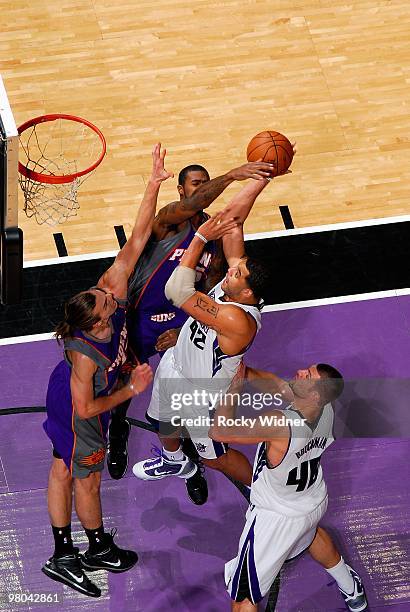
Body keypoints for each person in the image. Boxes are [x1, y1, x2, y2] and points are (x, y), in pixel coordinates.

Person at [41, 144, 171, 597]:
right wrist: (130, 387)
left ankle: (64, 552)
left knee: (61, 469)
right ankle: (92, 547)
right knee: (87, 478)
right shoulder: (84, 356)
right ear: (95, 323)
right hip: (81, 407)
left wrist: (152, 183)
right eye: (106, 302)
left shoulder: (106, 291)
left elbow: (136, 240)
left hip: (73, 395)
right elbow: (87, 405)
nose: (112, 293)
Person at [107, 158, 274, 480]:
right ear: (181, 189)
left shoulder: (233, 306)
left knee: (209, 447)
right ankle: (131, 438)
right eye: (194, 184)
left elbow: (186, 292)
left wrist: (181, 328)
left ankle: (216, 474)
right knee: (137, 394)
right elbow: (230, 221)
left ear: (246, 292)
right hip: (150, 324)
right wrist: (254, 178)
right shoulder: (169, 222)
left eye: (204, 181)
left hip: (194, 356)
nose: (232, 270)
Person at [209, 363, 368, 612]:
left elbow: (220, 431)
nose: (302, 371)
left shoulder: (279, 423)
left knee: (243, 598)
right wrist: (240, 367)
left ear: (315, 394)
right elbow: (276, 384)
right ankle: (351, 588)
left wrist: (233, 387)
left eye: (309, 375)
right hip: (311, 501)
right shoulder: (326, 409)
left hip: (275, 517)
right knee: (311, 534)